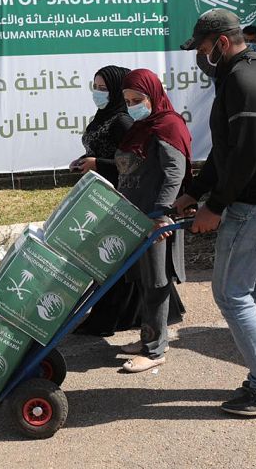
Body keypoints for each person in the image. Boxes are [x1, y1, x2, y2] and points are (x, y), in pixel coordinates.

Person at [174, 8, 256, 416]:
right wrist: (195, 190)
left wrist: (214, 206)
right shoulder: (241, 73)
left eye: (201, 47)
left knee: (231, 293)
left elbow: (249, 153)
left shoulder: (246, 80)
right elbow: (227, 149)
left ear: (220, 43)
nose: (199, 55)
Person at [71, 66, 186, 337]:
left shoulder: (149, 124)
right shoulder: (127, 123)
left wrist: (161, 212)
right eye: (95, 87)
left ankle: (154, 343)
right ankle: (143, 329)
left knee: (153, 278)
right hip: (124, 199)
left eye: (103, 88)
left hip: (149, 209)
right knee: (138, 274)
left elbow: (163, 170)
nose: (98, 93)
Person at [113, 68, 192, 373]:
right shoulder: (142, 126)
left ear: (153, 95)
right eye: (128, 100)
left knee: (157, 282)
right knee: (144, 281)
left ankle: (155, 349)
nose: (132, 105)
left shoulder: (168, 125)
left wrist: (161, 214)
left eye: (137, 99)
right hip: (136, 217)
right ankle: (149, 336)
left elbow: (175, 173)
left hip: (156, 220)